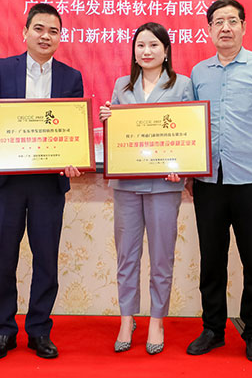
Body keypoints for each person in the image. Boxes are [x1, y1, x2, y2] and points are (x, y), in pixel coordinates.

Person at [0, 3, 83, 360]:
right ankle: (3, 330)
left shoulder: (71, 77)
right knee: (4, 258)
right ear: (25, 32)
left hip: (49, 184)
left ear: (60, 37)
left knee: (46, 259)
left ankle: (39, 330)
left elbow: (74, 126)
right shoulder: (3, 69)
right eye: (39, 29)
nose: (46, 36)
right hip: (8, 183)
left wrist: (74, 158)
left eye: (53, 31)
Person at [185, 0, 252, 362]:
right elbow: (191, 126)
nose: (225, 27)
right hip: (209, 182)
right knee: (212, 261)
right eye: (218, 22)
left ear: (244, 26)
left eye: (232, 21)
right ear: (209, 29)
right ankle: (212, 329)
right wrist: (190, 171)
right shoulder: (199, 72)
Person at [99, 22, 194, 355]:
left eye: (153, 45)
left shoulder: (183, 85)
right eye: (140, 45)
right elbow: (118, 138)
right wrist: (108, 120)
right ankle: (127, 318)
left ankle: (156, 320)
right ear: (134, 51)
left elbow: (191, 132)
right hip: (127, 184)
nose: (146, 51)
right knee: (127, 256)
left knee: (162, 257)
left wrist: (183, 166)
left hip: (165, 186)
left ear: (166, 50)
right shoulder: (121, 85)